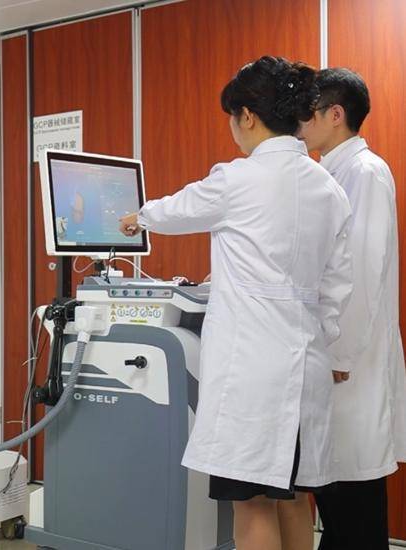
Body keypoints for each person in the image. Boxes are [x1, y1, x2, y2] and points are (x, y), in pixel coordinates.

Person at [119, 56, 353, 550]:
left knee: (252, 504)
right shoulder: (329, 189)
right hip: (306, 365)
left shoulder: (238, 178)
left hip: (252, 373)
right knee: (293, 497)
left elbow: (177, 209)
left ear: (247, 115)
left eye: (232, 117)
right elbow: (336, 286)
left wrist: (137, 217)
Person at [297, 67, 406, 550]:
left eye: (308, 113)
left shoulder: (364, 172)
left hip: (349, 362)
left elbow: (361, 271)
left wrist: (338, 354)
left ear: (335, 114)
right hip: (335, 356)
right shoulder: (332, 173)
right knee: (338, 504)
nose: (300, 123)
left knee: (354, 504)